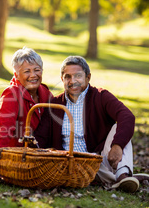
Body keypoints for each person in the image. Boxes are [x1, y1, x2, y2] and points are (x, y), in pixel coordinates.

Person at [34, 56, 148, 193]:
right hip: (68, 164)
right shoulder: (54, 104)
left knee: (120, 128)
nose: (72, 81)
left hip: (98, 160)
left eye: (78, 76)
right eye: (67, 77)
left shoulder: (100, 96)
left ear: (88, 77)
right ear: (62, 79)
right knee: (84, 170)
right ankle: (121, 179)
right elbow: (40, 137)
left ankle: (122, 175)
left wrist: (117, 146)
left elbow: (127, 116)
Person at [0, 47, 52, 169]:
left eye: (37, 70)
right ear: (16, 75)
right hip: (16, 158)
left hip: (40, 156)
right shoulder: (11, 94)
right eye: (27, 71)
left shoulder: (45, 93)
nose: (33, 75)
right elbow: (2, 133)